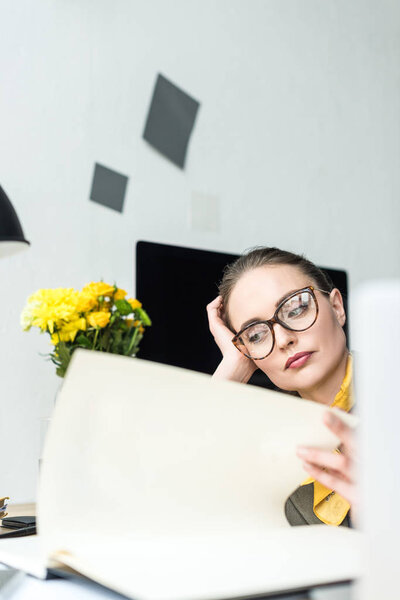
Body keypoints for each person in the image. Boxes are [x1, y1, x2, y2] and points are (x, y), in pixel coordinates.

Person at [206, 247, 357, 527]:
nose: (284, 338)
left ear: (337, 308)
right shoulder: (270, 452)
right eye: (256, 334)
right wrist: (229, 374)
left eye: (297, 308)